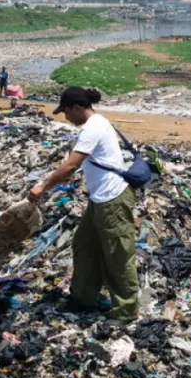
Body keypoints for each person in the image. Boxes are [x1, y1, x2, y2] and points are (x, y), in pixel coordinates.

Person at [28, 87, 139, 322]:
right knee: (84, 245)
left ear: (77, 108)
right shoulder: (96, 124)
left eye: (66, 112)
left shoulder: (93, 127)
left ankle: (126, 311)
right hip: (99, 199)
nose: (66, 118)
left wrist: (42, 187)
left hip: (113, 200)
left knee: (118, 255)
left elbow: (70, 166)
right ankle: (83, 298)